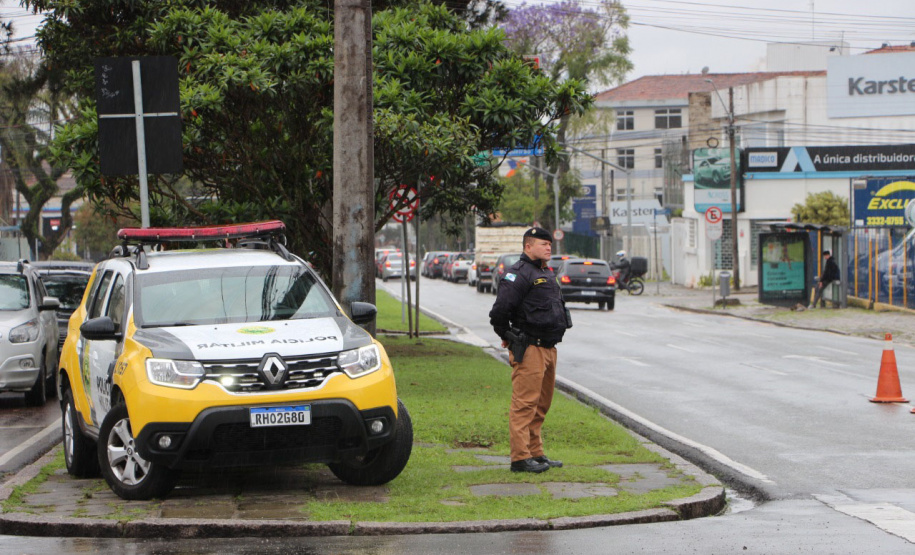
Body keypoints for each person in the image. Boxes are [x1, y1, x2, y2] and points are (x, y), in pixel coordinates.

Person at [489, 227, 571, 473]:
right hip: (531, 348)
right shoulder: (519, 274)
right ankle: (520, 457)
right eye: (543, 243)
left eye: (549, 244)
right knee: (525, 404)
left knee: (541, 404)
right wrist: (508, 336)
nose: (549, 247)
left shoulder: (545, 271)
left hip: (549, 348)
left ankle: (536, 452)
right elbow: (499, 312)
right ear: (528, 246)